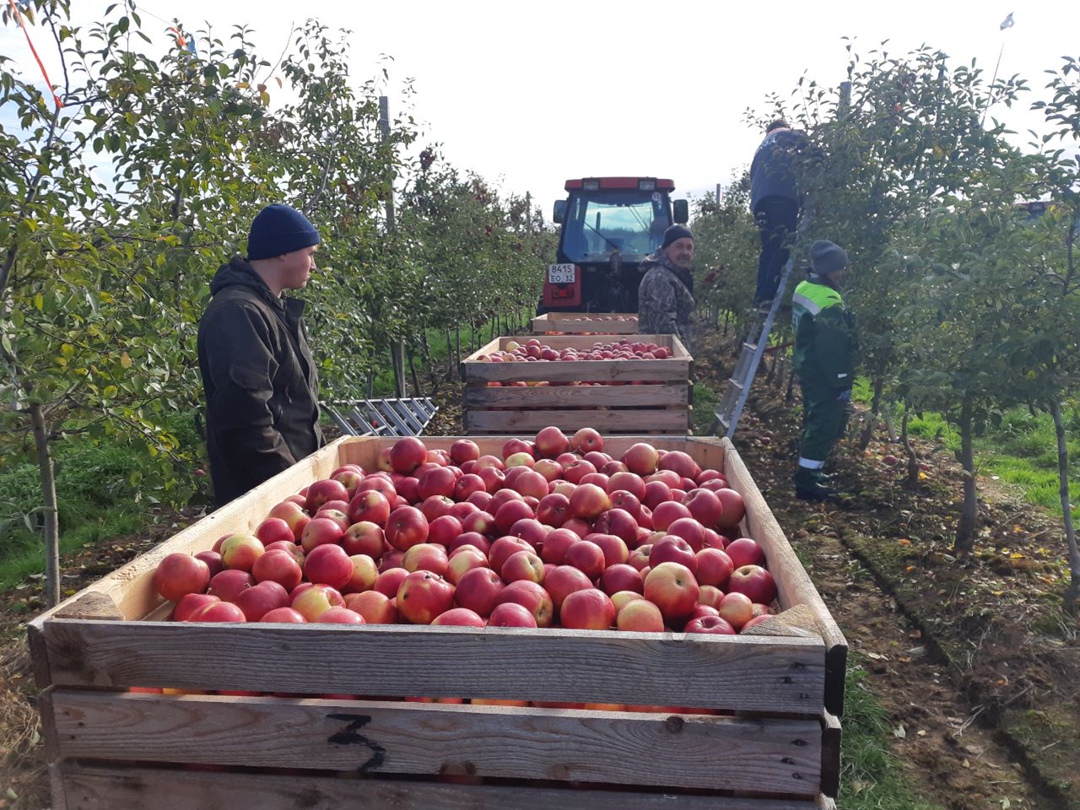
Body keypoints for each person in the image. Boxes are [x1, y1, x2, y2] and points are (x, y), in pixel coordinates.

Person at [197, 203, 325, 507]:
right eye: (311, 253)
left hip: (291, 488)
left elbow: (293, 403)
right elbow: (247, 421)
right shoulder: (239, 313)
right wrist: (292, 490)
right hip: (264, 499)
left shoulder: (273, 309)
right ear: (283, 250)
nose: (314, 265)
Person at [790, 240, 857, 501]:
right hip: (823, 375)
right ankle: (807, 482)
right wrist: (841, 381)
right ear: (828, 269)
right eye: (839, 269)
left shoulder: (804, 287)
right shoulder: (829, 301)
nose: (841, 273)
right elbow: (834, 349)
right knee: (824, 425)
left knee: (813, 419)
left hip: (806, 365)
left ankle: (812, 471)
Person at [750, 120, 806, 308]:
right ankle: (768, 295)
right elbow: (812, 150)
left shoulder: (760, 149)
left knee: (769, 247)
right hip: (781, 196)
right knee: (785, 243)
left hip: (760, 202)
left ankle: (760, 296)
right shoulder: (786, 134)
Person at [637, 224, 696, 350]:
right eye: (679, 246)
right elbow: (664, 327)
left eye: (689, 248)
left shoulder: (674, 274)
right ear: (665, 249)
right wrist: (680, 359)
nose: (685, 252)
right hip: (667, 360)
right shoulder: (660, 278)